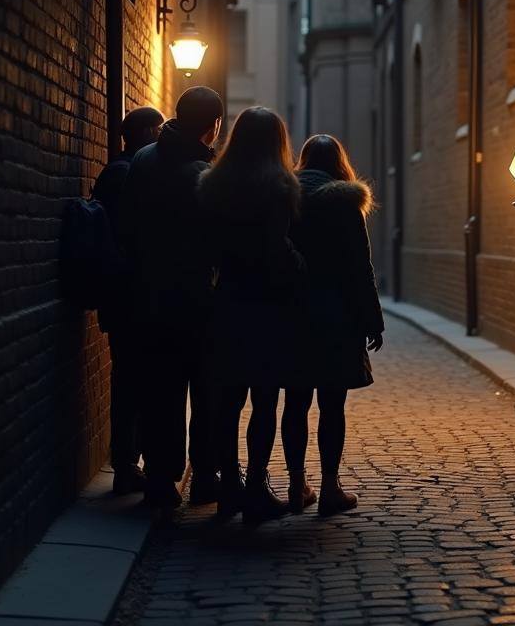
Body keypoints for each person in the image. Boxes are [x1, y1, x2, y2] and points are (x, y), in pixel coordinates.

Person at [197, 107, 307, 525]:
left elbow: (207, 251)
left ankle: (230, 488)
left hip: (227, 302)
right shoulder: (278, 187)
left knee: (227, 402)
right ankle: (256, 487)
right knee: (264, 401)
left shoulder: (213, 186)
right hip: (267, 306)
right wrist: (300, 264)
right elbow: (276, 251)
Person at [118, 86, 223, 509]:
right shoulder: (204, 174)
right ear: (212, 126)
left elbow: (124, 228)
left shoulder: (143, 161)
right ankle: (204, 478)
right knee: (207, 394)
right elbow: (217, 242)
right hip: (197, 300)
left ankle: (161, 479)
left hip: (149, 298)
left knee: (159, 393)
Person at [285, 134, 384, 516]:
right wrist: (372, 320)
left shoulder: (285, 197)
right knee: (332, 404)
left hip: (292, 313)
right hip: (336, 315)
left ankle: (296, 485)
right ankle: (329, 487)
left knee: (294, 402)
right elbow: (360, 268)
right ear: (339, 163)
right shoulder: (345, 203)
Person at [91, 105, 164, 495]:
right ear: (147, 133)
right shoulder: (127, 175)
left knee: (130, 380)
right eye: (157, 130)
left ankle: (129, 462)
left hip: (123, 297)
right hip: (132, 297)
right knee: (137, 382)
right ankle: (126, 464)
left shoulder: (116, 172)